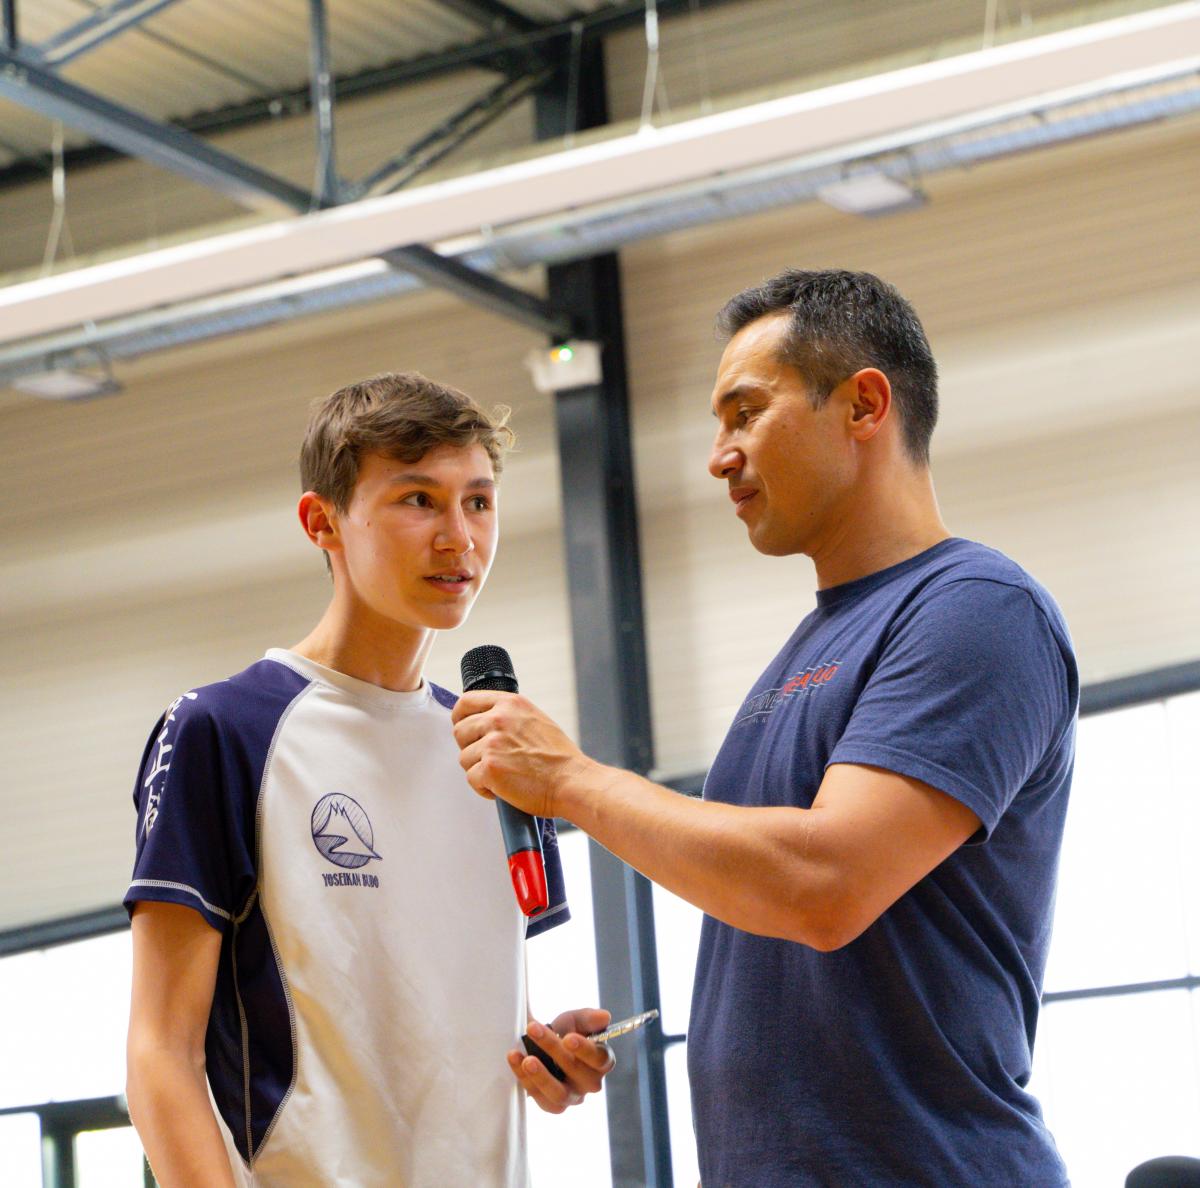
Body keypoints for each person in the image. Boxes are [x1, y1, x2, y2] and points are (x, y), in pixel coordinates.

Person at [453, 271, 1077, 1186]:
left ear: (864, 405)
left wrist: (571, 781)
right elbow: (772, 922)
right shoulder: (807, 652)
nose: (719, 457)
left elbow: (824, 883)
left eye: (746, 414)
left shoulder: (977, 609)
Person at [124, 372, 613, 1188]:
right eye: (419, 500)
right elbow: (159, 1055)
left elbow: (422, 1012)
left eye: (478, 502)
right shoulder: (224, 730)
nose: (459, 538)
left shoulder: (500, 745)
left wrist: (542, 1052)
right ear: (322, 522)